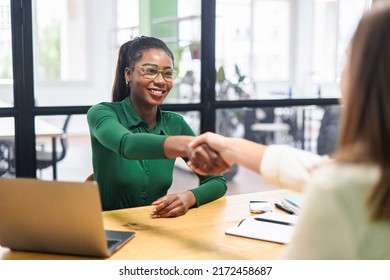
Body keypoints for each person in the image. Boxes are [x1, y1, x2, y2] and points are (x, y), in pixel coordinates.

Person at [187, 2, 390, 259]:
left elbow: (336, 181)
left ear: (368, 82)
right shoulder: (359, 180)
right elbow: (319, 170)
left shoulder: (341, 193)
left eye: (347, 63)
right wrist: (230, 147)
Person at [87, 36, 228, 217]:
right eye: (150, 71)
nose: (161, 81)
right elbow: (127, 144)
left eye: (168, 73)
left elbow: (217, 180)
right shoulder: (102, 113)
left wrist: (189, 197)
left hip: (155, 227)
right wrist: (187, 145)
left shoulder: (175, 124)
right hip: (109, 231)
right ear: (128, 74)